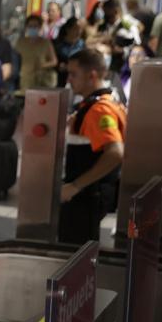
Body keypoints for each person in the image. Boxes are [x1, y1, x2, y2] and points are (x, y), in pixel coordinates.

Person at [60, 48, 126, 245]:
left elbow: (115, 153)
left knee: (74, 252)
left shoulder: (100, 109)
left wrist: (75, 186)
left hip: (87, 195)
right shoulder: (99, 102)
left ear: (92, 75)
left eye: (73, 74)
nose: (69, 79)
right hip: (87, 193)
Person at [95, 0, 141, 73]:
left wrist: (123, 51)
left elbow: (137, 46)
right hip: (102, 68)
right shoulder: (101, 27)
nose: (105, 13)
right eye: (104, 10)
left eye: (108, 9)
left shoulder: (126, 26)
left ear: (115, 10)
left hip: (120, 68)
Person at [16, 14, 59, 91]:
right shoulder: (20, 42)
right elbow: (15, 59)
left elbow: (54, 61)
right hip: (25, 80)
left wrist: (42, 65)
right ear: (26, 27)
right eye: (30, 26)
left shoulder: (46, 43)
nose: (33, 28)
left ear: (40, 27)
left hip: (42, 80)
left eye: (35, 26)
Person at [54, 18, 87, 86]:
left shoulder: (81, 44)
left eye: (80, 29)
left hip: (77, 79)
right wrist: (59, 66)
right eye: (76, 28)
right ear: (68, 29)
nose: (78, 31)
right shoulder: (58, 44)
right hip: (61, 79)